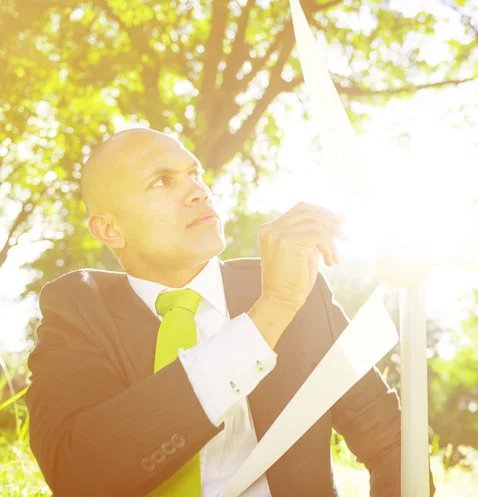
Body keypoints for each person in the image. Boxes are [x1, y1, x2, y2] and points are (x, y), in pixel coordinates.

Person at [25, 128, 436, 497]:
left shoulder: (301, 289)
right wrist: (269, 315)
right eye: (162, 181)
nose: (198, 190)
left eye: (195, 173)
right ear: (110, 230)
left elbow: (393, 444)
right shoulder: (78, 308)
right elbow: (78, 474)